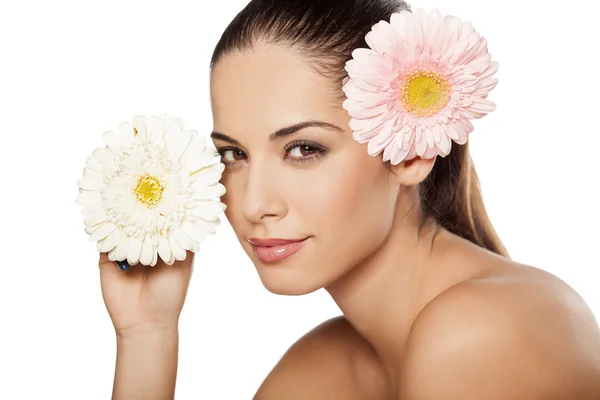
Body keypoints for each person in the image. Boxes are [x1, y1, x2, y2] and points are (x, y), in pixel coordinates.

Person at [98, 0, 600, 398]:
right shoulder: (321, 370)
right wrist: (147, 336)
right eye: (233, 155)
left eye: (303, 149)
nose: (252, 204)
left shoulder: (483, 332)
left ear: (409, 151)